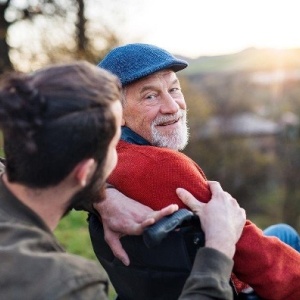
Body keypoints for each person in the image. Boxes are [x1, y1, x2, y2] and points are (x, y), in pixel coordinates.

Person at [0, 61, 246, 300]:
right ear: (84, 172)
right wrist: (218, 250)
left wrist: (104, 197)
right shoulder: (66, 286)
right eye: (115, 142)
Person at [88, 43, 300, 300]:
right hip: (219, 288)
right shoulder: (162, 166)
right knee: (285, 235)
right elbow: (252, 253)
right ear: (116, 112)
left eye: (174, 89)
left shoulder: (96, 159)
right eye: (150, 96)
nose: (172, 106)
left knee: (282, 231)